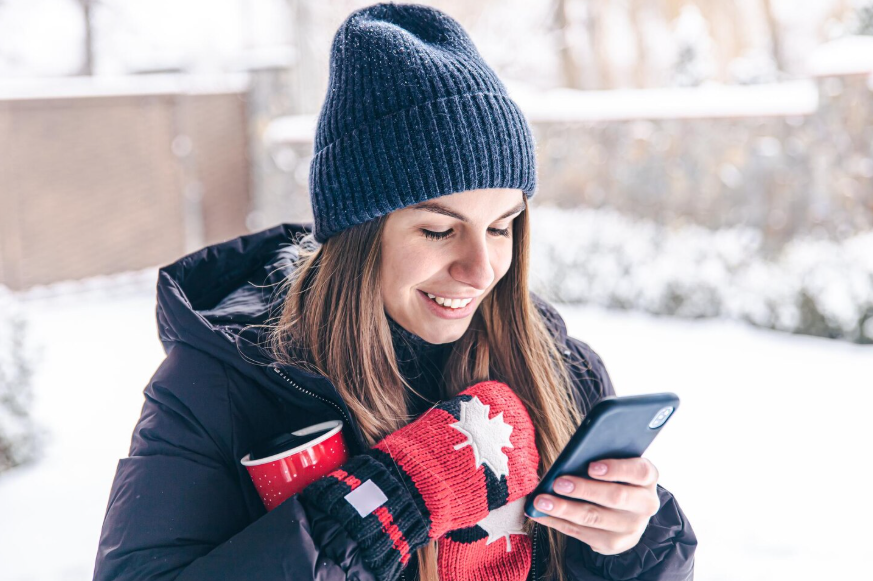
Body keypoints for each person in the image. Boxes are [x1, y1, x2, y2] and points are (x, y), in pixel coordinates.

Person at [92, 3, 696, 581]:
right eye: (438, 230)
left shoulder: (557, 369)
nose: (480, 270)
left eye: (500, 227)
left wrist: (634, 544)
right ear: (357, 236)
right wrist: (388, 503)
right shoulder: (217, 388)